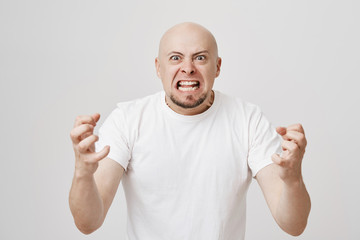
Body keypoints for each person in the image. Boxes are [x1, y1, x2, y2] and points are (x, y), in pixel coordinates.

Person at [69, 22, 311, 240]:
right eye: (175, 58)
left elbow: (293, 225)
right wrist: (83, 172)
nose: (187, 68)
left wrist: (293, 179)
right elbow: (88, 223)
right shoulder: (127, 119)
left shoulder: (248, 120)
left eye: (200, 58)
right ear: (158, 67)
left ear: (217, 67)